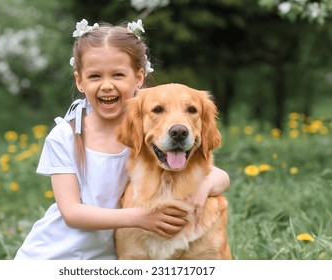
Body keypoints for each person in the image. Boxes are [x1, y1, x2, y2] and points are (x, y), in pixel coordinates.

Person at [14, 19, 230, 260]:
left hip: (107, 258)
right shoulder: (65, 135)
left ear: (138, 77)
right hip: (54, 254)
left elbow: (213, 172)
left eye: (118, 74)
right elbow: (71, 212)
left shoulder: (145, 130)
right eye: (95, 76)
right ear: (80, 81)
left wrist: (206, 188)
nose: (107, 85)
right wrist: (140, 218)